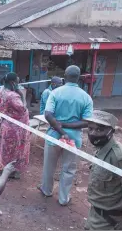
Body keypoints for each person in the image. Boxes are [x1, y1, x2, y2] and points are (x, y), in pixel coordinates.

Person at [38, 65, 93, 206]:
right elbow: (87, 122)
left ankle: (46, 190)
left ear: (65, 76)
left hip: (53, 136)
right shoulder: (86, 97)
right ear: (79, 77)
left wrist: (60, 127)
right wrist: (67, 128)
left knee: (49, 166)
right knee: (68, 169)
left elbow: (48, 114)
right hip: (74, 139)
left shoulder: (55, 93)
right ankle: (63, 198)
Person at [84, 111, 122, 230]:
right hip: (95, 214)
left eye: (99, 130)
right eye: (90, 128)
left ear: (111, 131)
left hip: (111, 222)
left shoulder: (121, 158)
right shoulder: (100, 149)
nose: (93, 133)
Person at [0, 72, 30, 179]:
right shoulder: (13, 96)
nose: (19, 85)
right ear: (13, 83)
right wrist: (22, 95)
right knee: (15, 150)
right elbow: (23, 109)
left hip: (5, 125)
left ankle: (2, 167)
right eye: (18, 82)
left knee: (4, 149)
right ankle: (11, 172)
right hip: (15, 130)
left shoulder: (0, 90)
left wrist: (5, 110)